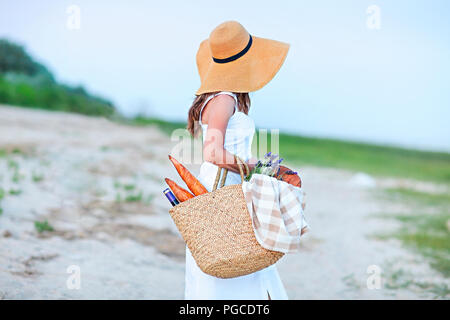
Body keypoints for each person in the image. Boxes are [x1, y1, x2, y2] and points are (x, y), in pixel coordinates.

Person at [185, 20, 295, 300]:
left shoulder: (220, 98)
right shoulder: (224, 99)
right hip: (222, 188)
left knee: (236, 259)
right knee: (236, 263)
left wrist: (263, 168)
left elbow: (225, 149)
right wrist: (255, 168)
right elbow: (212, 152)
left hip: (224, 183)